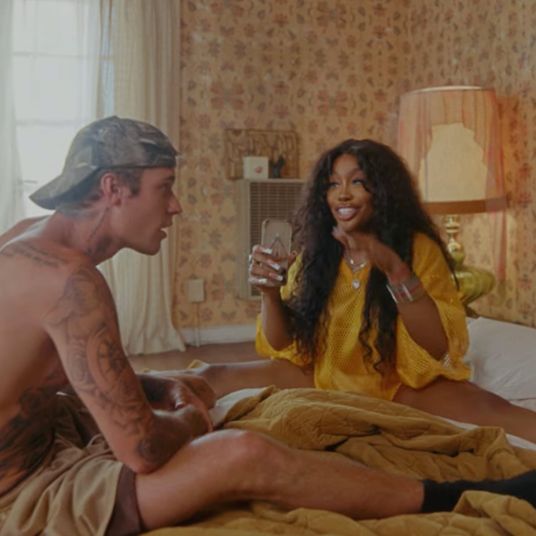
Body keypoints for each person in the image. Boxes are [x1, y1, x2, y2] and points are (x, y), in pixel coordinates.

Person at [187, 138, 536, 444]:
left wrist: (395, 269)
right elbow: (280, 344)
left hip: (399, 384)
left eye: (357, 182)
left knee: (493, 410)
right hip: (321, 374)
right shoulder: (315, 254)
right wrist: (269, 293)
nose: (343, 193)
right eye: (333, 183)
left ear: (383, 192)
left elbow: (437, 346)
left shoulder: (417, 248)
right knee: (211, 376)